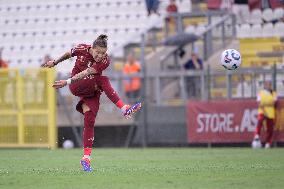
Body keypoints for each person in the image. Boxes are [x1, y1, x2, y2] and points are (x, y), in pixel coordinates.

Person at [42, 34, 141, 172]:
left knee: (89, 120)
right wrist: (55, 62)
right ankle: (123, 108)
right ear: (91, 48)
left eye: (103, 53)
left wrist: (66, 81)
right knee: (103, 80)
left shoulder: (105, 60)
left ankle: (86, 158)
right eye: (98, 52)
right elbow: (68, 54)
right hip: (76, 85)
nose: (100, 56)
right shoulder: (82, 48)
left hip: (91, 89)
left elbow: (89, 72)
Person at [252, 81, 277, 148]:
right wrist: (266, 104)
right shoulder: (261, 93)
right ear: (265, 85)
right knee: (259, 121)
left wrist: (264, 103)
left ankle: (268, 143)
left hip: (270, 112)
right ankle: (257, 135)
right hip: (262, 110)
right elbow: (259, 103)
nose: (268, 86)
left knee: (270, 128)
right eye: (266, 84)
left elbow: (273, 103)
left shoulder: (273, 93)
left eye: (269, 84)